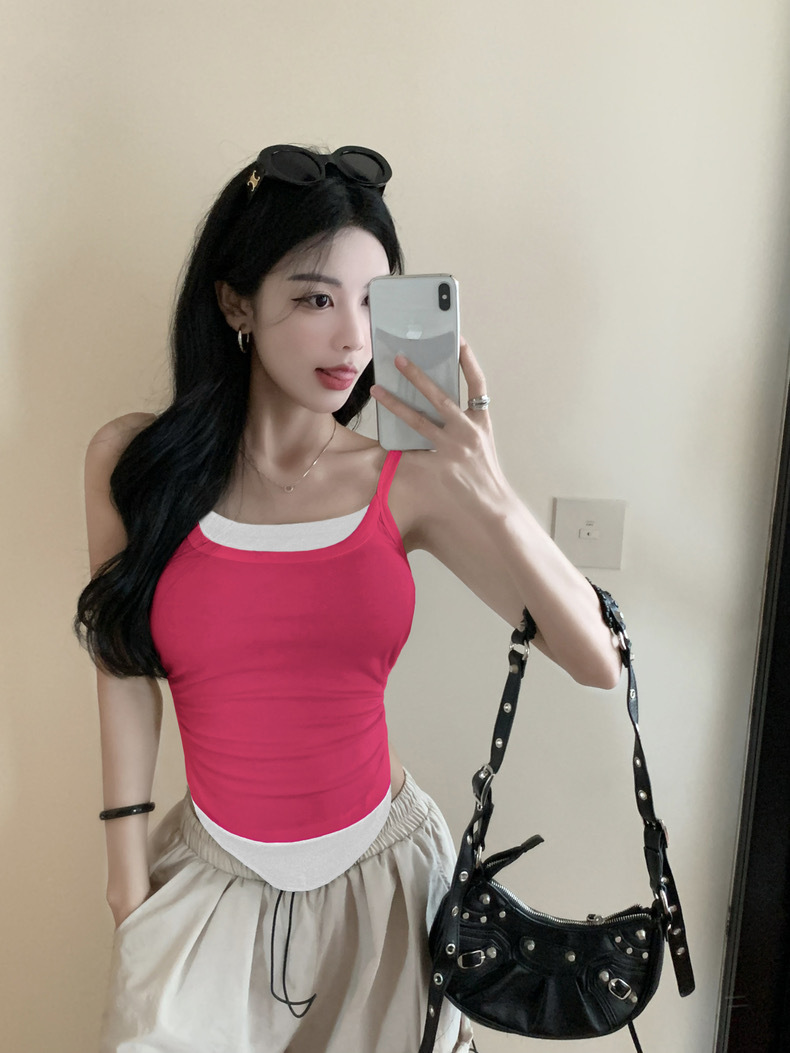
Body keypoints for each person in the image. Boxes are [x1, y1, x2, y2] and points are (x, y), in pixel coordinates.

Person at [76, 144, 621, 1053]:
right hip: (206, 885)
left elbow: (596, 661)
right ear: (235, 303)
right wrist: (126, 880)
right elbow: (122, 667)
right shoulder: (134, 466)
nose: (352, 340)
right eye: (316, 299)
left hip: (388, 888)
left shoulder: (408, 478)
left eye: (373, 302)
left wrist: (491, 488)